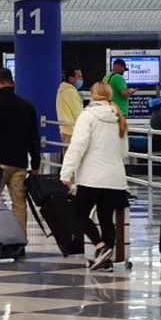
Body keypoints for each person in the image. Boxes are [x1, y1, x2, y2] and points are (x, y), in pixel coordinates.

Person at [60, 82, 129, 271]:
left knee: (79, 214)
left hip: (92, 177)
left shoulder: (87, 116)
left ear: (92, 95)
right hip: (115, 178)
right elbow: (124, 152)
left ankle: (100, 246)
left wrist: (66, 173)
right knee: (106, 217)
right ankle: (106, 260)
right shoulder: (118, 117)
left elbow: (77, 146)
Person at [0, 68, 41, 233]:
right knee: (19, 203)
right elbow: (34, 137)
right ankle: (20, 238)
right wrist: (35, 163)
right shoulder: (26, 106)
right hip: (19, 162)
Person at [56, 68, 85, 144]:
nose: (81, 79)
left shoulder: (63, 89)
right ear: (71, 78)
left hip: (65, 130)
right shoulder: (70, 92)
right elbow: (78, 114)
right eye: (79, 77)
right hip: (72, 132)